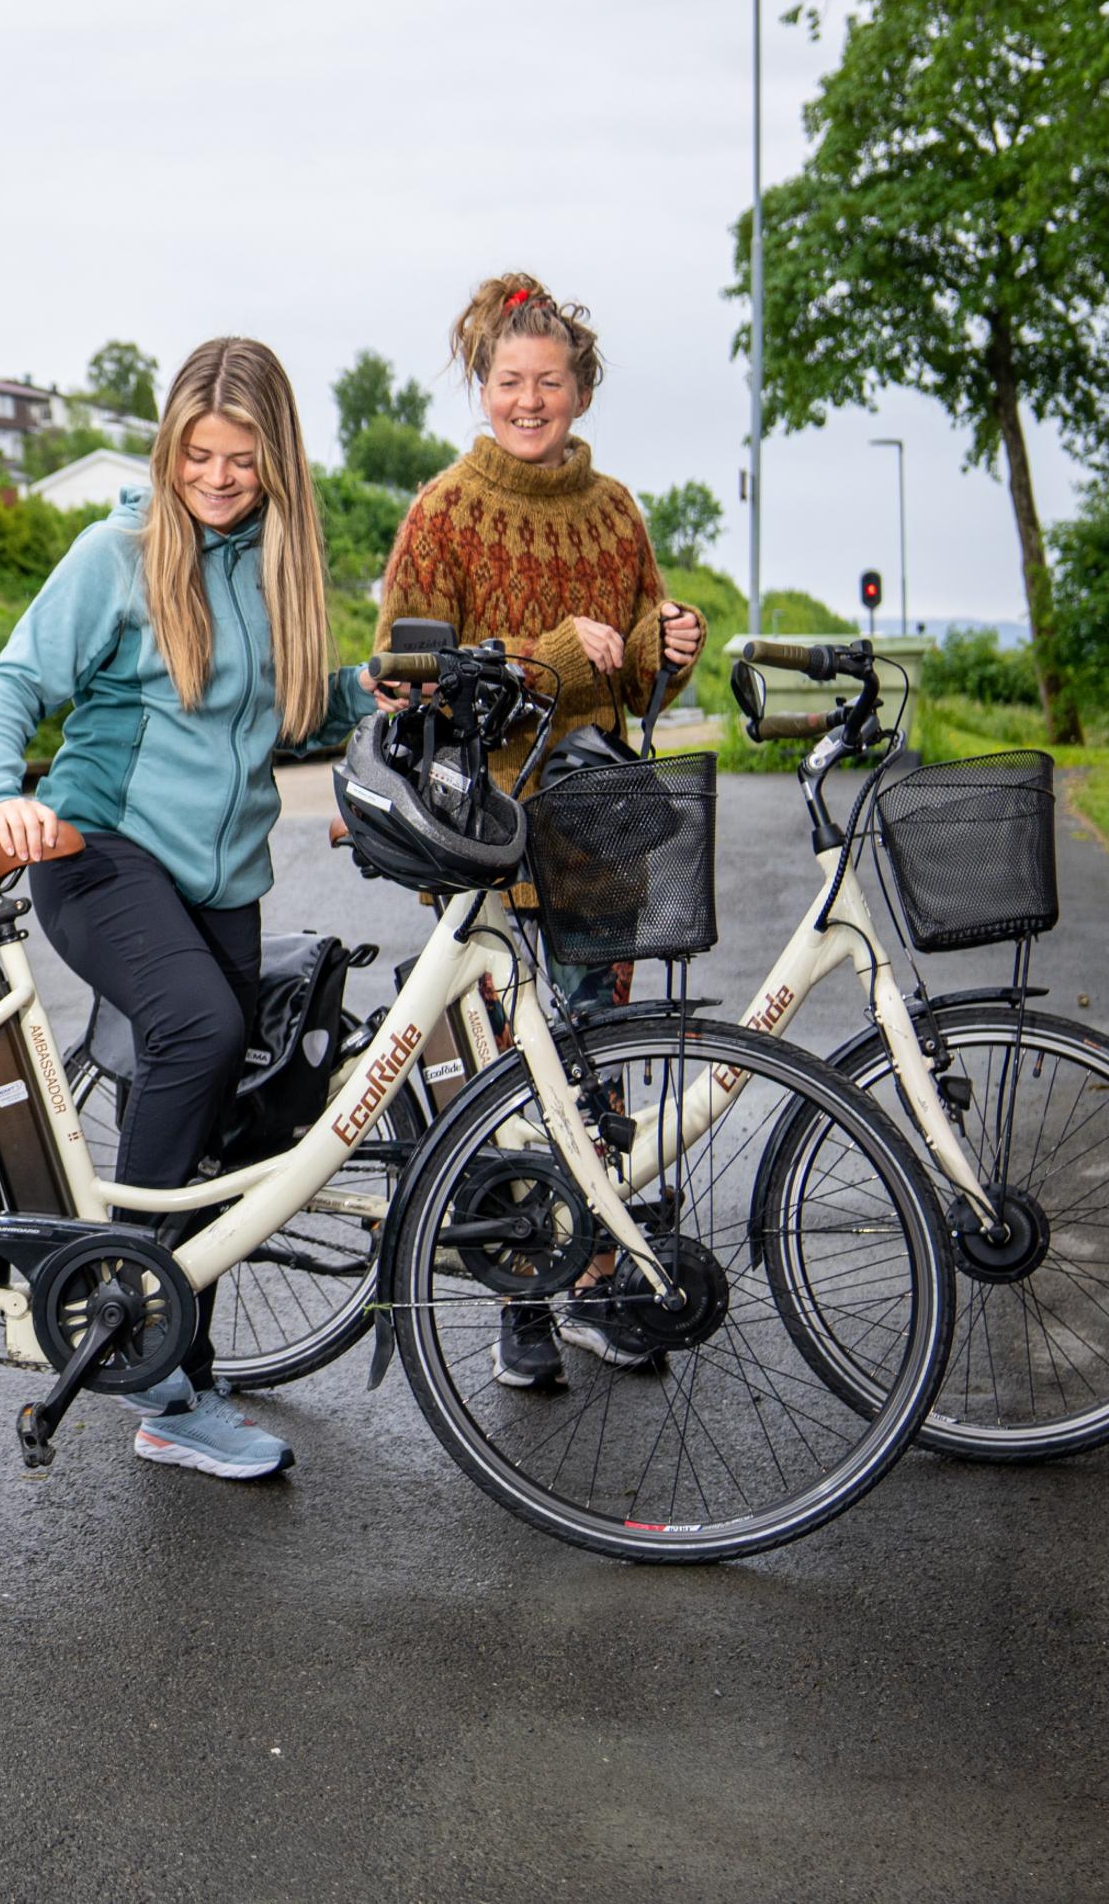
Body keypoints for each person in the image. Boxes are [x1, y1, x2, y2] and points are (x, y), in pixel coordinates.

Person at [0, 337, 368, 1482]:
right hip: (101, 850)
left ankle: (166, 1375)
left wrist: (360, 689)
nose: (219, 476)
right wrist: (1, 793)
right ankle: (135, 1338)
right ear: (169, 446)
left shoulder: (274, 565)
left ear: (275, 458)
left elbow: (278, 720)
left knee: (223, 1124)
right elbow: (13, 682)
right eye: (199, 453)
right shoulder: (120, 552)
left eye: (242, 456)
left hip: (221, 878)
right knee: (201, 1027)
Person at [373, 272, 706, 1392]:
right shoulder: (444, 511)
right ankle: (525, 1292)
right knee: (516, 1063)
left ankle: (600, 1280)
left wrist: (668, 640)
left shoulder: (616, 510)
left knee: (596, 1051)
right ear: (483, 383)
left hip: (599, 823)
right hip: (488, 829)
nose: (529, 399)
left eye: (549, 381)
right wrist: (552, 657)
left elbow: (637, 656)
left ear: (581, 388)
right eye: (510, 380)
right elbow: (403, 676)